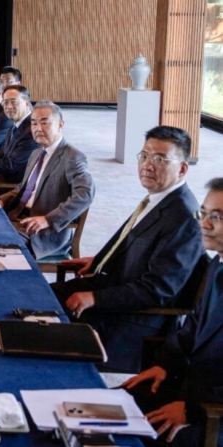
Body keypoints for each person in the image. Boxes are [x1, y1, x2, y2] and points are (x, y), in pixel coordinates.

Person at [51, 126, 207, 372]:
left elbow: (158, 289)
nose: (147, 165)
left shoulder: (185, 218)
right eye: (144, 156)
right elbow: (134, 246)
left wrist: (95, 298)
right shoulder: (158, 199)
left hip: (132, 321)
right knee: (32, 298)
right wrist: (101, 261)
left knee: (39, 331)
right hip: (111, 287)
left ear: (183, 168)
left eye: (160, 159)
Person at [122, 177, 223, 447]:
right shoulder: (217, 265)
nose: (204, 224)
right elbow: (192, 326)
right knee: (104, 406)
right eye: (204, 214)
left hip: (212, 413)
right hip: (188, 385)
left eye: (218, 217)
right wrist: (165, 364)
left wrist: (192, 409)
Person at [0, 101, 95, 260]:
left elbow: (85, 194)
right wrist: (1, 201)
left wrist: (48, 220)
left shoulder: (73, 157)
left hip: (40, 231)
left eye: (44, 122)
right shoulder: (36, 153)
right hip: (16, 216)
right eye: (34, 123)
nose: (37, 128)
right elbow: (24, 188)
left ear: (60, 125)